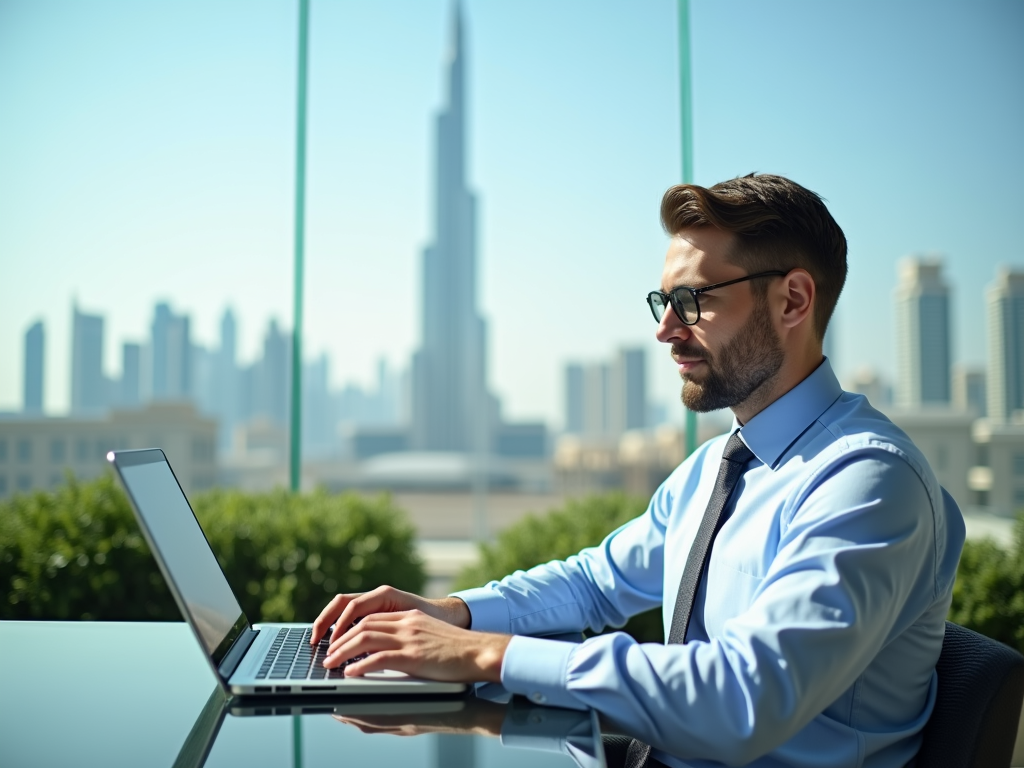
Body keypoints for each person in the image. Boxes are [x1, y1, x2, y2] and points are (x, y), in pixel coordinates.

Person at [310, 173, 965, 768]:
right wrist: (454, 614)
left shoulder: (868, 483)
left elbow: (742, 699)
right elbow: (595, 584)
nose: (667, 331)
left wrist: (487, 655)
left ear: (793, 300)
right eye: (665, 301)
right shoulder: (717, 467)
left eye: (694, 300)